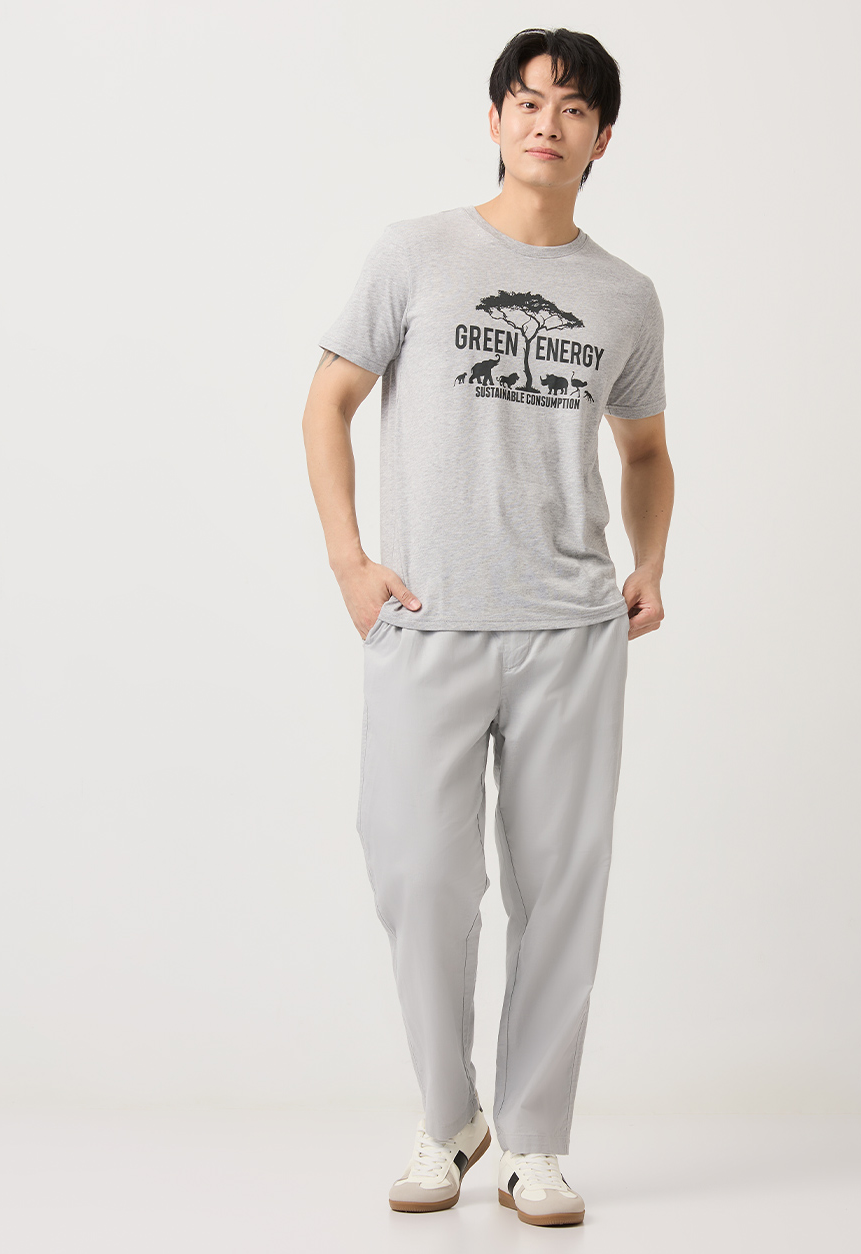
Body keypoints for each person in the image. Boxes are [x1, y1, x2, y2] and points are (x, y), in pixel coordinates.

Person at [301, 26, 674, 1228]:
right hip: (429, 621)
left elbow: (646, 451)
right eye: (526, 101)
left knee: (559, 891)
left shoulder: (624, 296)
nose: (545, 123)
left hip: (571, 628)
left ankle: (536, 1142)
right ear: (496, 120)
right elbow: (328, 402)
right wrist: (350, 562)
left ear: (601, 139)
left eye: (572, 109)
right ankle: (448, 1115)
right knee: (416, 872)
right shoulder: (414, 254)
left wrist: (650, 562)